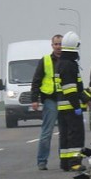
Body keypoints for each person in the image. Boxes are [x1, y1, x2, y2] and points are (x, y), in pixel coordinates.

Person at [56, 31, 90, 171]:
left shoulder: (60, 63)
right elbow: (70, 89)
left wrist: (85, 94)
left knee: (65, 136)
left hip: (62, 107)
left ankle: (65, 163)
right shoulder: (70, 64)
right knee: (75, 135)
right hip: (71, 107)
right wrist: (77, 105)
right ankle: (75, 162)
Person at [31, 34, 63, 170]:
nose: (58, 47)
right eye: (56, 44)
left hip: (65, 99)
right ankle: (42, 161)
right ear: (52, 46)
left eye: (60, 44)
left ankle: (65, 160)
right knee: (47, 132)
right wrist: (34, 99)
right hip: (50, 99)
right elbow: (36, 80)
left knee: (65, 132)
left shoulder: (69, 60)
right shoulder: (45, 61)